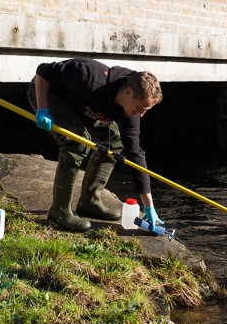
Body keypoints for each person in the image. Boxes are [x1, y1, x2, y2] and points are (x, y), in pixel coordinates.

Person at [27, 57, 164, 233]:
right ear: (128, 92)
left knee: (113, 143)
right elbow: (43, 71)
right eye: (140, 108)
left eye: (146, 110)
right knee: (76, 143)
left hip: (83, 104)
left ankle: (89, 202)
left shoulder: (131, 111)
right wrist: (42, 108)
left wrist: (148, 207)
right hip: (49, 93)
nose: (142, 114)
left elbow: (135, 152)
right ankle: (59, 211)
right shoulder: (88, 76)